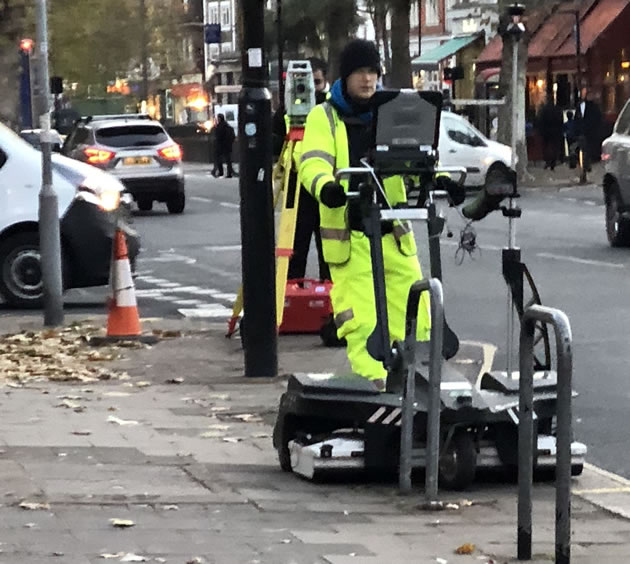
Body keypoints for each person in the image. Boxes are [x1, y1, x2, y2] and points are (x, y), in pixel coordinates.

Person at [299, 40, 438, 389]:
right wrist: (326, 187)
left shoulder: (388, 112)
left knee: (417, 312)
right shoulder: (324, 117)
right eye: (360, 72)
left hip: (393, 232)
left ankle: (413, 384)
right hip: (351, 234)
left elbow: (413, 155)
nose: (368, 79)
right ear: (345, 77)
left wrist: (441, 177)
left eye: (373, 72)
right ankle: (375, 390)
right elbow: (312, 160)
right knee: (362, 321)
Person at [272, 58, 331, 282]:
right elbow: (275, 141)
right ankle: (288, 296)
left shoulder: (330, 107)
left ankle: (332, 302)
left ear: (324, 81)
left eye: (315, 83)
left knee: (330, 250)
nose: (308, 89)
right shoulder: (287, 109)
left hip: (325, 184)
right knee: (295, 248)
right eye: (304, 82)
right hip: (297, 183)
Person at [575, 87, 603, 172]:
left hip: (588, 131)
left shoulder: (589, 106)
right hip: (587, 131)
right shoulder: (588, 106)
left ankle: (585, 164)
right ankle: (586, 164)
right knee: (585, 149)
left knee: (586, 149)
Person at [537, 100, 564, 171]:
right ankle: (553, 163)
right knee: (555, 147)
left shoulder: (544, 111)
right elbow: (560, 121)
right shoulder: (557, 110)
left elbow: (540, 121)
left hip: (546, 131)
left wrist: (541, 130)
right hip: (556, 131)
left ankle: (547, 161)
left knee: (545, 147)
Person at [212, 114, 236, 178]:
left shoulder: (219, 127)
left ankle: (221, 172)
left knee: (219, 159)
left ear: (219, 119)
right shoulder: (228, 126)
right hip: (228, 146)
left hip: (221, 145)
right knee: (228, 160)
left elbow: (217, 136)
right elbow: (232, 136)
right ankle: (229, 173)